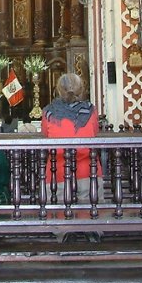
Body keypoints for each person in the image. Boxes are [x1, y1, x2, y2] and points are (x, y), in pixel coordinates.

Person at [41, 72, 100, 207]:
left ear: (59, 90)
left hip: (58, 170)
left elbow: (45, 134)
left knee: (57, 216)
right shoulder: (90, 110)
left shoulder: (49, 112)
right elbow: (95, 131)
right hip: (88, 169)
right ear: (81, 89)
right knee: (91, 215)